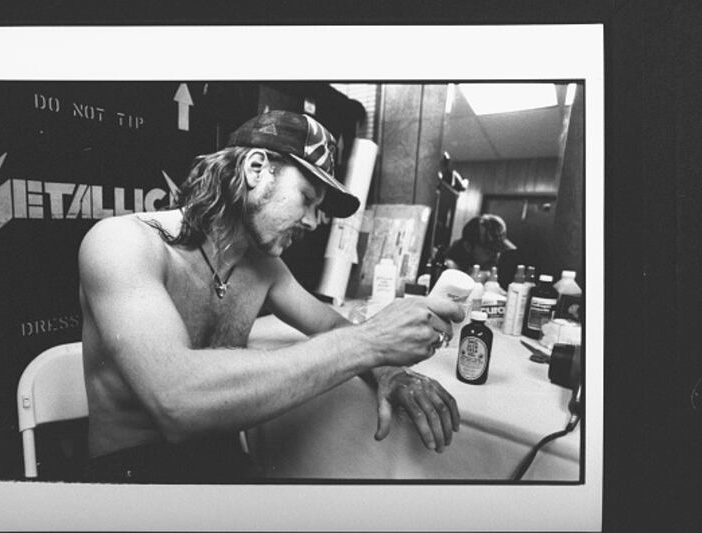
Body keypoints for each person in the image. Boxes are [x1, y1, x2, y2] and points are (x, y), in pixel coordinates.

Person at [79, 110, 464, 483]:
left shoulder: (265, 268)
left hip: (223, 463)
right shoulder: (123, 242)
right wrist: (371, 341)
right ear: (256, 169)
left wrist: (388, 371)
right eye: (306, 197)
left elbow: (331, 324)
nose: (312, 222)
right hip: (134, 473)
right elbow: (176, 401)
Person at [444, 214, 519, 284]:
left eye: (498, 251)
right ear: (468, 246)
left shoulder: (488, 268)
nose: (495, 256)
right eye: (488, 251)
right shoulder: (448, 271)